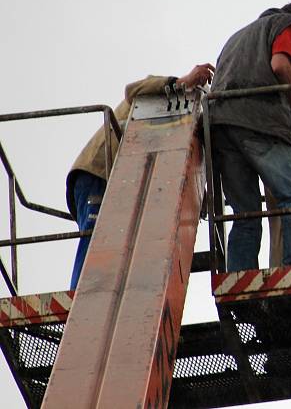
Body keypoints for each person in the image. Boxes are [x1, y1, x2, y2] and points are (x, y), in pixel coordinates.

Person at [67, 64, 215, 290]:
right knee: (96, 236)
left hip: (114, 180)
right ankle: (78, 291)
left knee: (114, 244)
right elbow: (132, 89)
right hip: (98, 172)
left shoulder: (174, 122)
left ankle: (96, 288)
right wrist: (184, 80)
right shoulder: (162, 94)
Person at [209, 1, 291, 271]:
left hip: (221, 126)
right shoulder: (287, 23)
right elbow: (281, 65)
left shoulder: (236, 38)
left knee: (245, 213)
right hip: (262, 122)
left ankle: (239, 275)